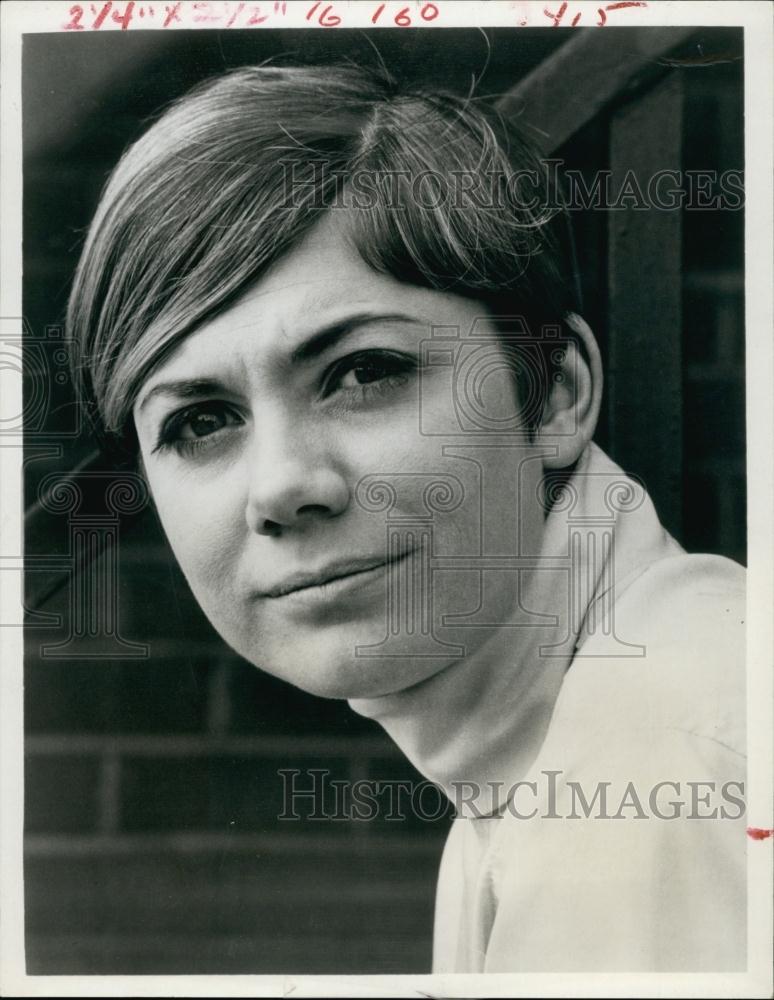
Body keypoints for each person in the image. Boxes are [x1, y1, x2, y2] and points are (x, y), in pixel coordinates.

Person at [66, 63, 746, 972]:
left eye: (365, 372)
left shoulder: (659, 766)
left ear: (553, 395)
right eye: (200, 422)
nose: (282, 486)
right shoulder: (555, 758)